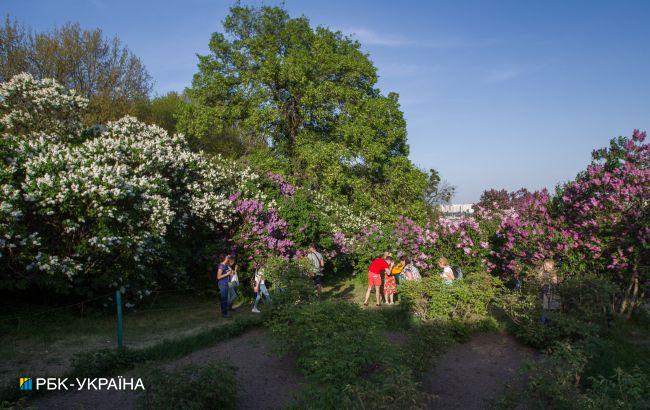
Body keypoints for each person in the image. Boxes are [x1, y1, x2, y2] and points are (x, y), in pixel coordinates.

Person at [539, 258, 561, 323]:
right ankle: (543, 325)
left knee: (552, 309)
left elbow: (555, 282)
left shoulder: (553, 273)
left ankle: (550, 324)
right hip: (545, 293)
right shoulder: (542, 273)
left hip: (552, 293)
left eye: (549, 266)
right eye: (545, 266)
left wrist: (553, 277)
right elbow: (541, 284)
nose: (547, 267)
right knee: (545, 309)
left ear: (552, 266)